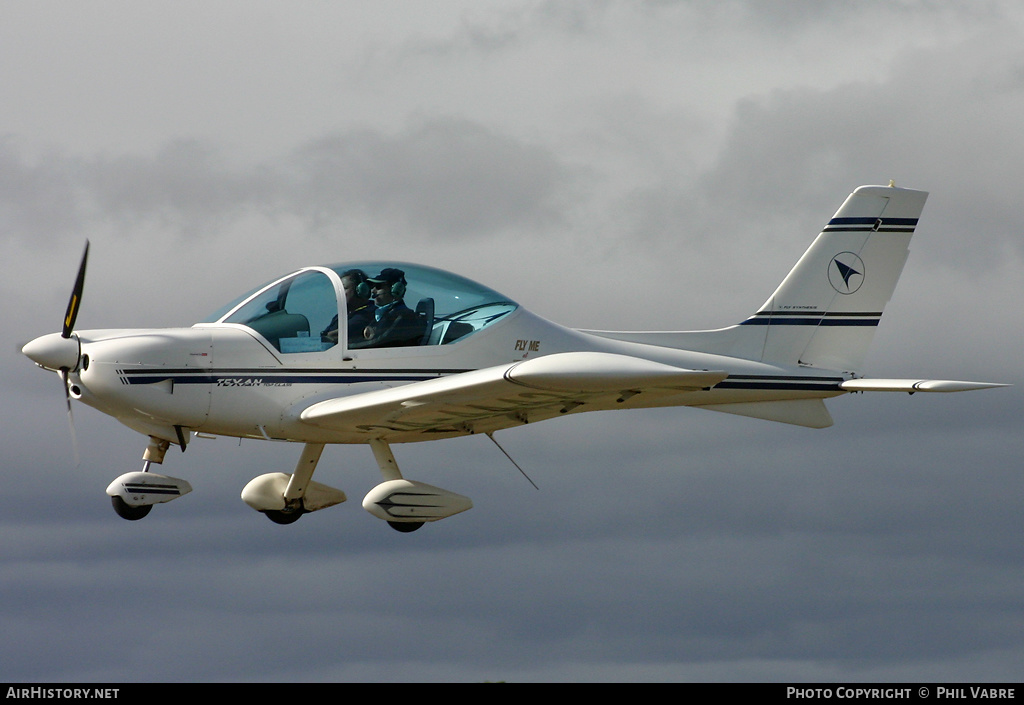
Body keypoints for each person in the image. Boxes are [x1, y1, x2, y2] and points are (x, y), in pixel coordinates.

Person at [358, 267, 424, 348]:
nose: (373, 291)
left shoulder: (404, 316)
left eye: (378, 286)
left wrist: (349, 347)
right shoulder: (383, 315)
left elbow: (379, 342)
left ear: (396, 289)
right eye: (373, 286)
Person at [321, 269, 376, 345]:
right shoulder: (341, 316)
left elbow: (334, 336)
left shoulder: (368, 314)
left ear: (360, 290)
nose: (339, 293)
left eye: (345, 288)